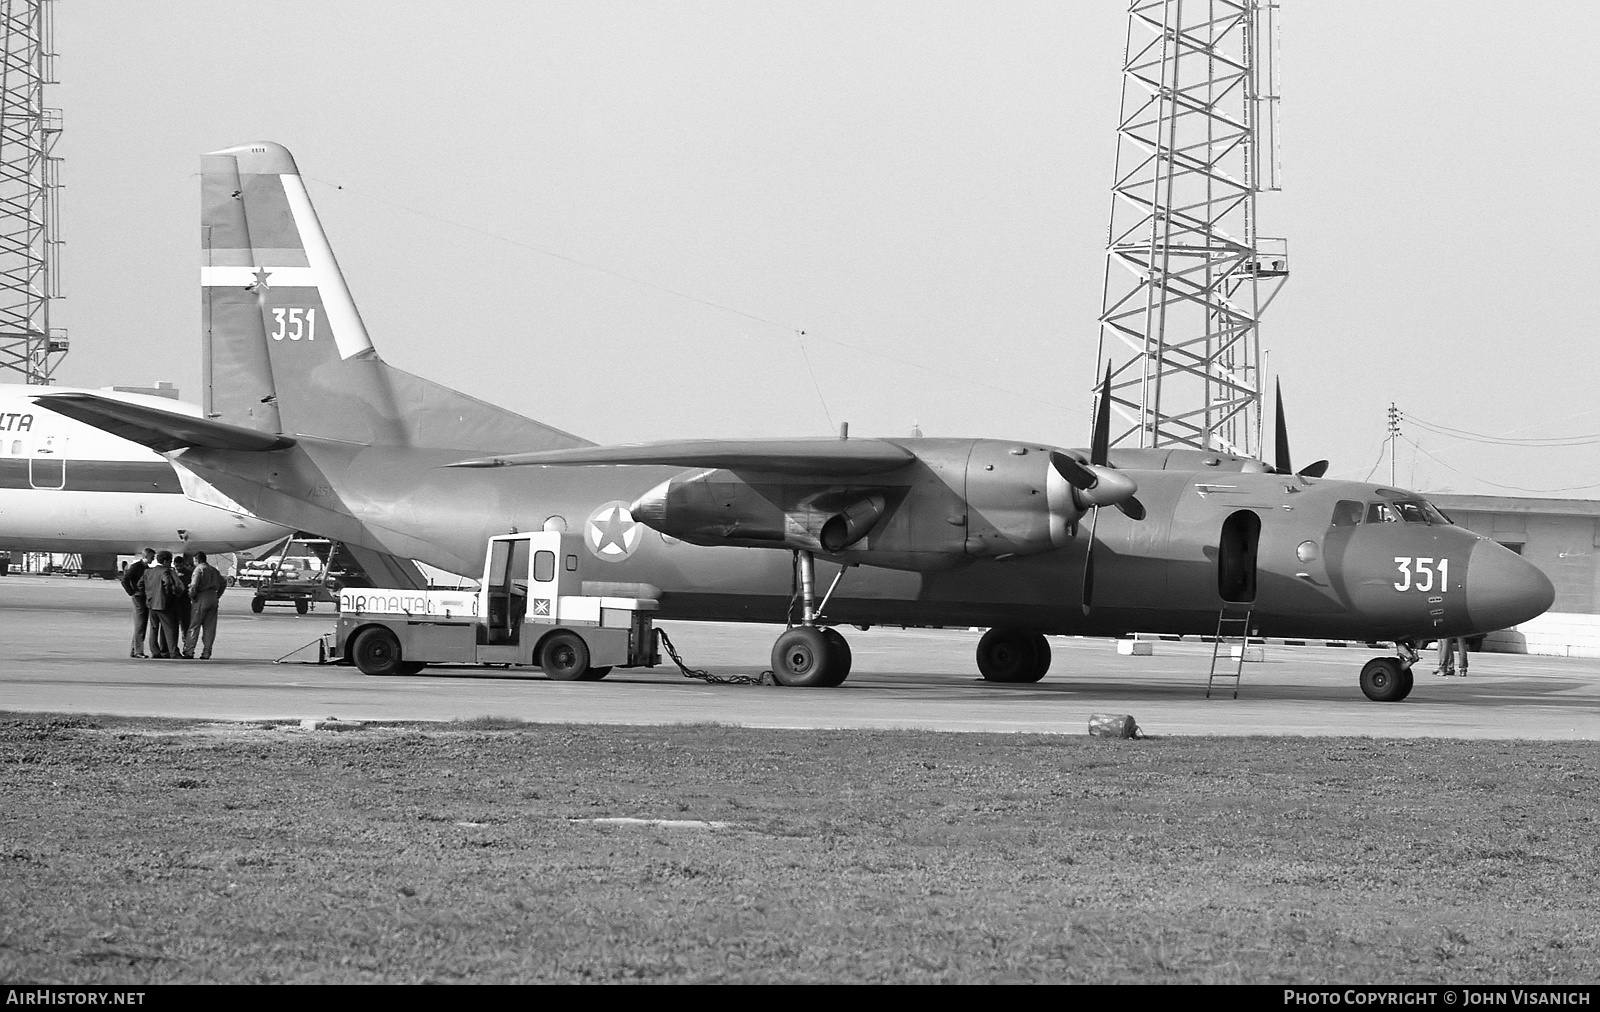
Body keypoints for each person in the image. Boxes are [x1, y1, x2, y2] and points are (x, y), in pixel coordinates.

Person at [183, 551, 227, 660]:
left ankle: (189, 650)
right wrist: (217, 595)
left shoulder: (199, 570)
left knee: (194, 625)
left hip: (202, 597)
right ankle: (206, 652)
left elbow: (194, 586)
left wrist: (192, 596)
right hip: (213, 597)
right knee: (210, 628)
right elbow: (223, 582)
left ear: (197, 560)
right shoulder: (214, 570)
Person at [141, 550, 184, 659]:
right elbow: (167, 583)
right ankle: (173, 652)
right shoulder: (165, 571)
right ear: (165, 561)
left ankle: (155, 651)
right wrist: (169, 595)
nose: (170, 564)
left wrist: (148, 595)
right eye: (169, 562)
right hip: (163, 604)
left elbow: (140, 584)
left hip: (151, 604)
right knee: (170, 628)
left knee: (154, 629)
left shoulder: (148, 572)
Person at [121, 548, 156, 658]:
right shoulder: (137, 567)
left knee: (141, 623)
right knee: (140, 624)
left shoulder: (145, 567)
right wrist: (132, 592)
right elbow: (125, 579)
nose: (153, 559)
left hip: (143, 597)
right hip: (139, 598)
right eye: (152, 557)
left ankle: (134, 649)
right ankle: (138, 651)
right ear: (146, 556)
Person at [172, 554, 195, 652]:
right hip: (174, 603)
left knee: (186, 626)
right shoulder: (171, 573)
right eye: (177, 566)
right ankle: (173, 647)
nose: (178, 568)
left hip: (185, 602)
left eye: (180, 566)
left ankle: (186, 647)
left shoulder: (189, 573)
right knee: (173, 627)